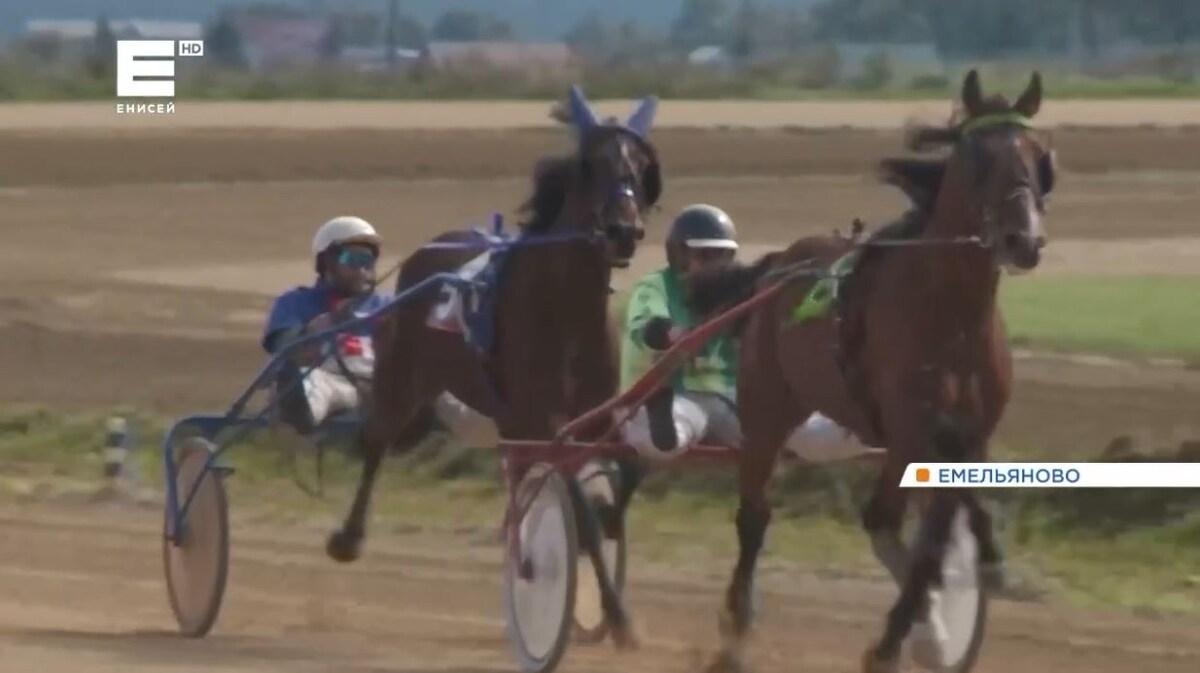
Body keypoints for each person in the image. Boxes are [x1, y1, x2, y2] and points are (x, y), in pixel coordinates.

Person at [619, 204, 868, 460]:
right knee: (670, 438)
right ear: (679, 255)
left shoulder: (738, 287)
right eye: (705, 255)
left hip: (735, 400)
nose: (716, 264)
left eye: (723, 255)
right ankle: (662, 423)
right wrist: (676, 336)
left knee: (819, 440)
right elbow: (647, 327)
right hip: (681, 393)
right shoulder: (656, 286)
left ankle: (887, 445)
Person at [262, 215, 490, 441]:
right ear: (326, 262)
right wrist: (317, 328)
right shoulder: (297, 301)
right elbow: (282, 345)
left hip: (390, 382)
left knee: (444, 390)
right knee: (310, 384)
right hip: (335, 379)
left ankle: (496, 432)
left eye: (368, 260)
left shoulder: (390, 304)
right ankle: (296, 414)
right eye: (352, 259)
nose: (362, 269)